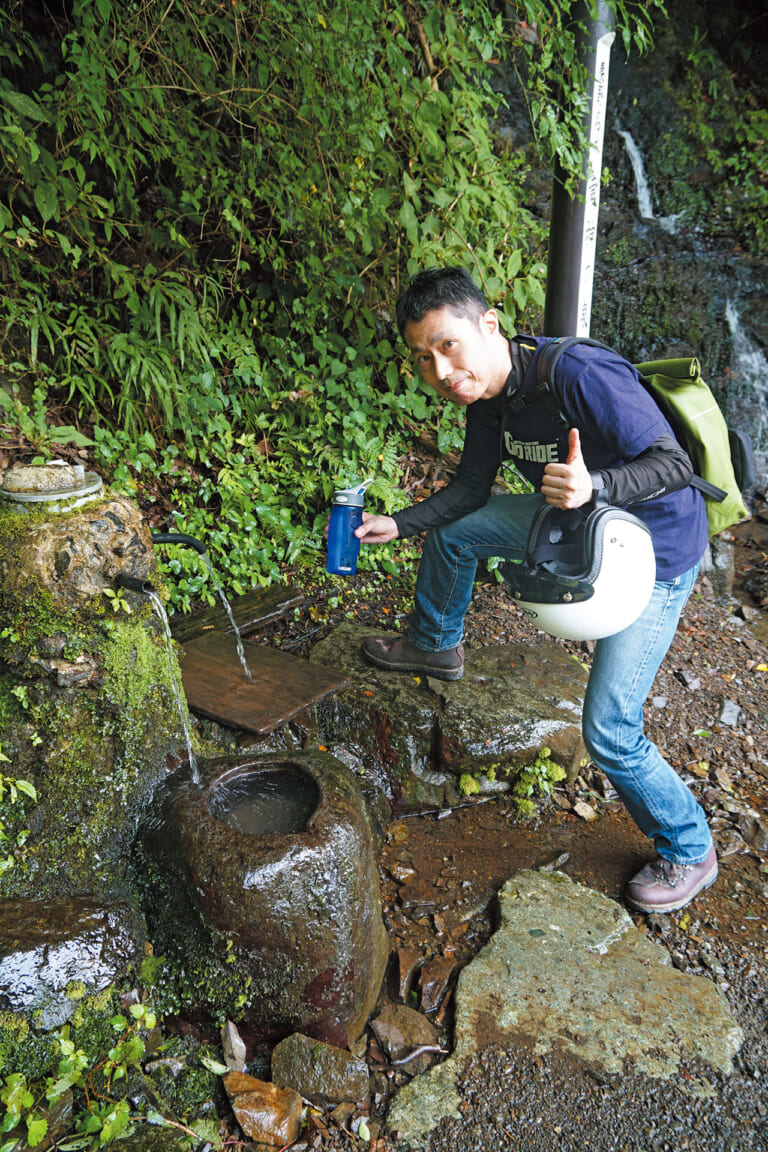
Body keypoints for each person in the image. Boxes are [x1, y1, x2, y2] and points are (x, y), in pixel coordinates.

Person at [355, 265, 716, 915]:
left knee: (608, 728)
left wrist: (594, 486)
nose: (439, 369)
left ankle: (689, 847)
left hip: (655, 547)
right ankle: (435, 643)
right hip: (578, 517)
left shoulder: (577, 374)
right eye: (423, 357)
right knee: (456, 534)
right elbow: (469, 490)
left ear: (487, 325)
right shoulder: (489, 399)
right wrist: (400, 523)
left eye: (448, 344)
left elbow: (673, 466)